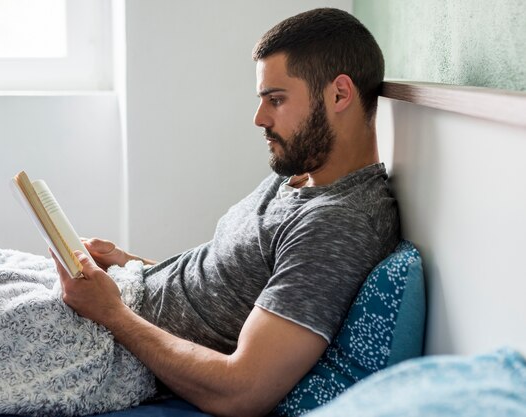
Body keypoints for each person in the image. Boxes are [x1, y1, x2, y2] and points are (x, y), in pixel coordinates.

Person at [56, 7, 400, 417]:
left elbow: (243, 389)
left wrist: (111, 312)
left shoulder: (337, 223)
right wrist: (131, 263)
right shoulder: (300, 172)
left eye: (276, 100)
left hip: (109, 345)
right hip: (123, 299)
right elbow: (225, 283)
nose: (259, 118)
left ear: (340, 94)